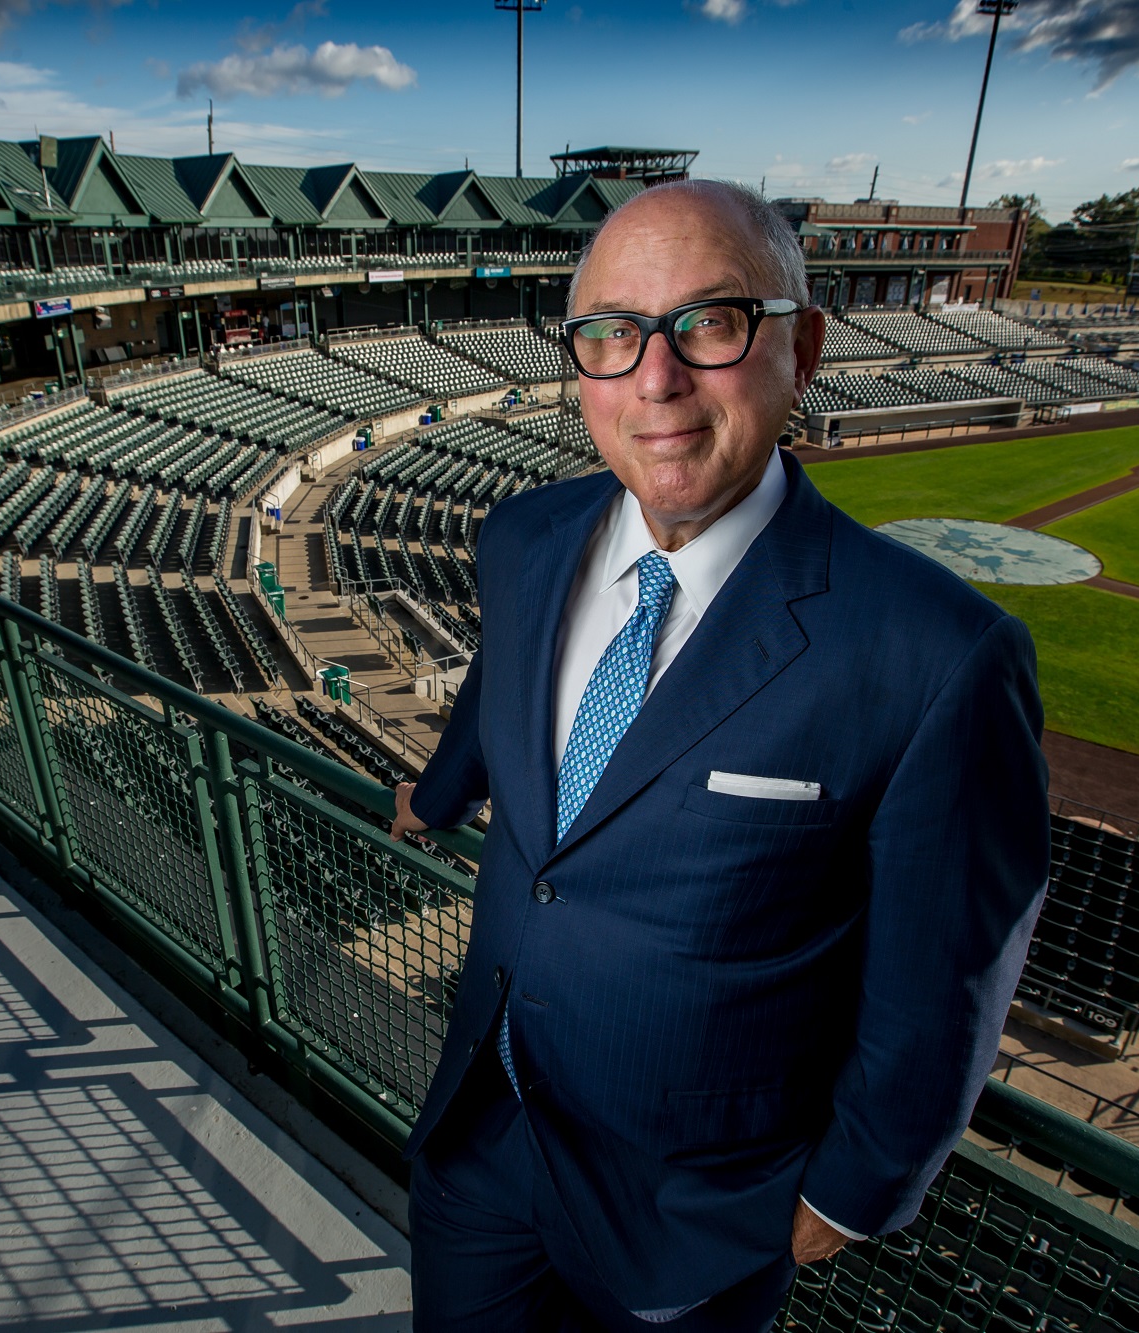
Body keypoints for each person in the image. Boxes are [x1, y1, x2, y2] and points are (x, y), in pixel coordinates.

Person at [389, 179, 1049, 1330]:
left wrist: (849, 1195)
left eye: (707, 322)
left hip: (695, 1216)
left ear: (803, 347)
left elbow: (946, 976)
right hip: (482, 1138)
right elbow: (499, 694)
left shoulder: (939, 653)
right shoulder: (523, 536)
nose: (654, 380)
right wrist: (438, 793)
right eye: (611, 333)